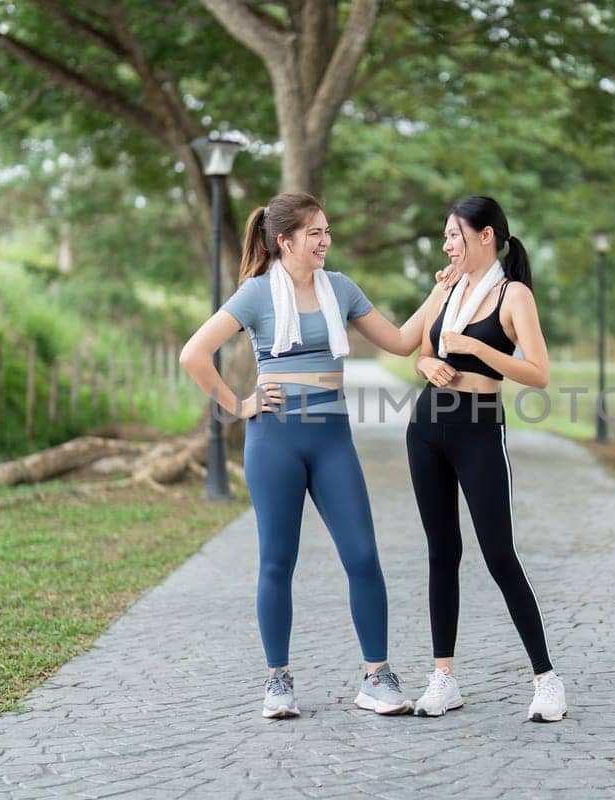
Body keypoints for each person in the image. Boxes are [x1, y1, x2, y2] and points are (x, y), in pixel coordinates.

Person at [180, 191, 452, 719]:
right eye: (315, 233)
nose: (325, 241)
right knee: (278, 562)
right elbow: (194, 354)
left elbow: (398, 342)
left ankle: (377, 676)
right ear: (286, 241)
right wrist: (239, 405)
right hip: (273, 441)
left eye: (327, 231)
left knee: (363, 557)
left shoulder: (341, 289)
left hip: (332, 441)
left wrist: (438, 295)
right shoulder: (256, 295)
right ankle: (277, 681)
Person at [405, 196, 567, 722]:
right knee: (440, 551)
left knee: (499, 554)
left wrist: (477, 351)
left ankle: (546, 680)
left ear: (486, 236)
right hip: (426, 427)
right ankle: (443, 677)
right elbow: (419, 351)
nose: (448, 243)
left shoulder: (513, 294)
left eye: (454, 234)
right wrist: (428, 365)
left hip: (478, 428)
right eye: (446, 235)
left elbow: (538, 372)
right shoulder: (446, 287)